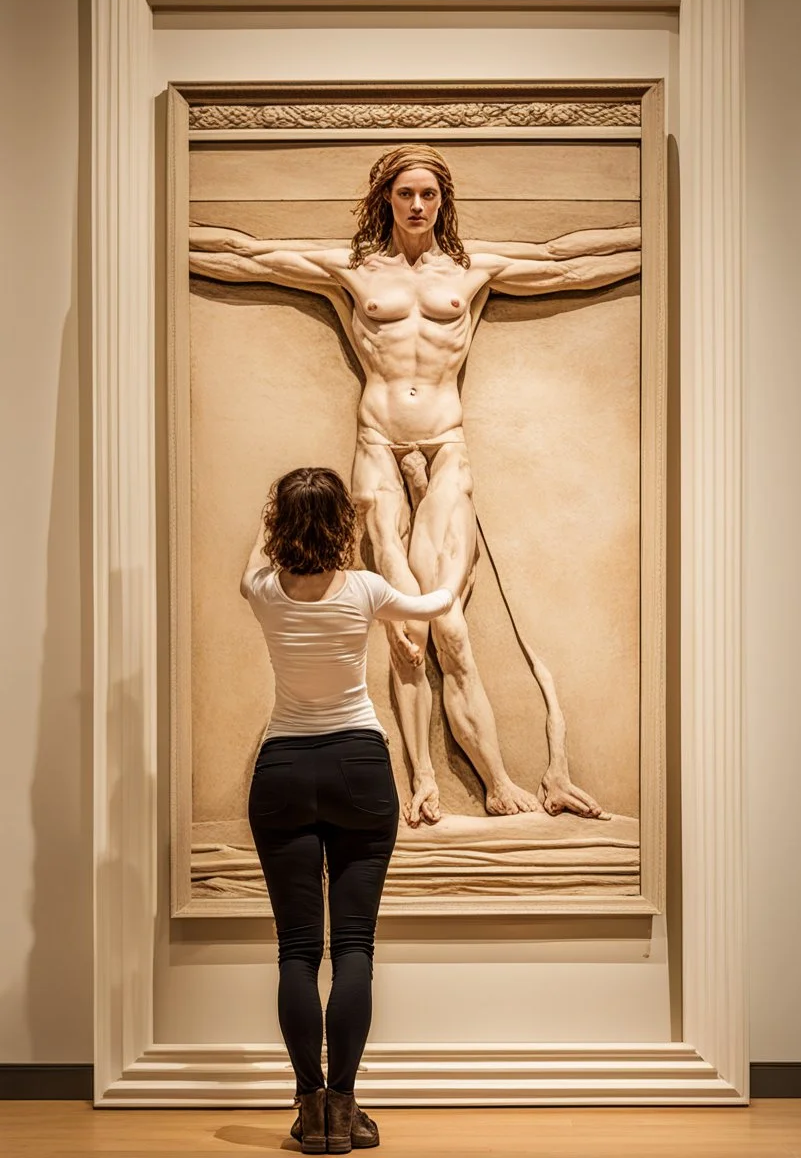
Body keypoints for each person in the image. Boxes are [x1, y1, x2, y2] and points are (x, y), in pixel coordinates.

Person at [192, 143, 640, 827]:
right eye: (406, 193)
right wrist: (161, 230)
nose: (418, 205)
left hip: (446, 448)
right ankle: (423, 781)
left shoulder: (470, 270)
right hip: (378, 448)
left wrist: (664, 234)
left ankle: (497, 783)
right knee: (406, 634)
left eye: (429, 194)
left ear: (443, 200)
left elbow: (561, 263)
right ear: (387, 198)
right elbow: (251, 256)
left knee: (450, 632)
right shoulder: (356, 270)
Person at [242, 466, 455, 1153]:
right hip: (359, 769)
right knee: (354, 947)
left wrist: (277, 516)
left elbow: (261, 552)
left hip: (281, 773)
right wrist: (450, 557)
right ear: (342, 527)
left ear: (280, 525)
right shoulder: (366, 590)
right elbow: (437, 601)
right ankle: (346, 1107)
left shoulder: (263, 591)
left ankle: (312, 1111)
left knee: (297, 952)